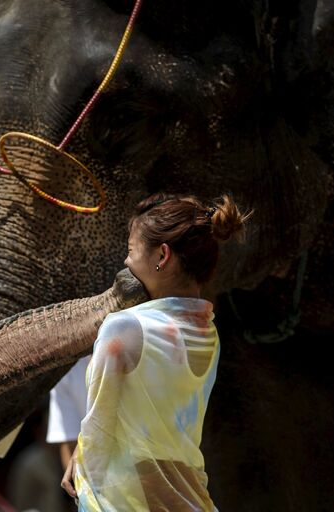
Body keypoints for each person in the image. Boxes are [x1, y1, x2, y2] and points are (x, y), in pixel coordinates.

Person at [61, 193, 250, 511]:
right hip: (187, 499)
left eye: (131, 251)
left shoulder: (125, 328)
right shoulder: (209, 332)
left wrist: (82, 472)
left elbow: (98, 428)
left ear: (162, 255)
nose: (126, 262)